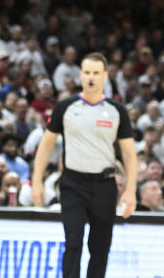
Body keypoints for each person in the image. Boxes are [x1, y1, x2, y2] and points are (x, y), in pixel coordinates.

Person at [32, 52, 138, 278]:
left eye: (96, 73)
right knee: (73, 243)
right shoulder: (65, 107)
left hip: (105, 185)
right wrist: (36, 182)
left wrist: (130, 191)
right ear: (80, 75)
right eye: (87, 72)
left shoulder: (117, 111)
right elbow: (46, 145)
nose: (91, 77)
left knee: (100, 249)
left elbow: (129, 154)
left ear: (105, 76)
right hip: (73, 183)